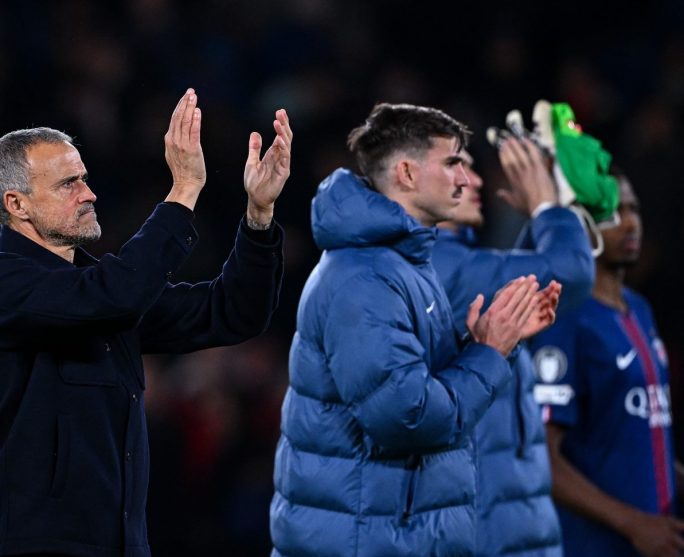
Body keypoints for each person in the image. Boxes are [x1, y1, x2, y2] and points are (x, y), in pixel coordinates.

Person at [0, 89, 291, 557]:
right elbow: (111, 296)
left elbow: (233, 313)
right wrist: (183, 190)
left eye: (84, 178)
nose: (88, 193)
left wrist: (258, 217)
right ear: (17, 204)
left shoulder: (107, 295)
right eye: (68, 184)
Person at [270, 103, 561, 557]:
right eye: (452, 163)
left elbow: (408, 384)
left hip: (386, 534)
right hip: (364, 540)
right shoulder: (365, 278)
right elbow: (407, 418)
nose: (466, 179)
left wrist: (484, 342)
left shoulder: (400, 262)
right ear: (406, 173)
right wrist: (488, 353)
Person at [432, 137, 595, 556]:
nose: (476, 180)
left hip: (506, 523)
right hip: (489, 531)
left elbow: (519, 279)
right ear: (409, 175)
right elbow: (573, 271)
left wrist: (540, 220)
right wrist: (547, 208)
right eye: (456, 165)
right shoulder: (437, 266)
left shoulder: (457, 263)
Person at [531, 172, 684, 557]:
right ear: (579, 225)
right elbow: (542, 457)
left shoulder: (640, 309)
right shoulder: (565, 318)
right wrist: (633, 523)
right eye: (612, 214)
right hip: (596, 546)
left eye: (634, 209)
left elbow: (638, 433)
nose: (630, 223)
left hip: (658, 541)